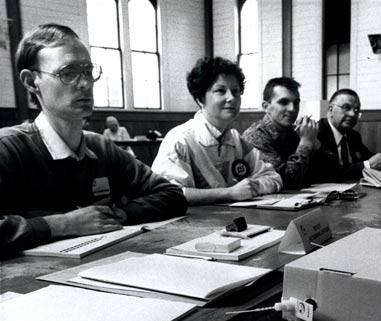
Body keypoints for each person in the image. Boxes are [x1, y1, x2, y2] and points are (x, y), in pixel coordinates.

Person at [0, 23, 186, 255]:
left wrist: (123, 214)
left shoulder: (100, 147)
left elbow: (172, 195)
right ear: (30, 81)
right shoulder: (7, 149)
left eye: (88, 71)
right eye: (68, 73)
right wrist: (63, 224)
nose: (85, 83)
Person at [151, 57, 282, 205]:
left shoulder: (236, 139)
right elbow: (168, 193)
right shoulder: (180, 139)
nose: (231, 98)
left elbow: (273, 178)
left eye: (235, 91)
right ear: (200, 98)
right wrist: (229, 193)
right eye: (220, 91)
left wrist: (254, 186)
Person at [242, 77, 321, 189]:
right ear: (266, 107)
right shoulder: (255, 136)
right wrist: (306, 142)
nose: (292, 109)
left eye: (296, 103)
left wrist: (315, 143)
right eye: (283, 102)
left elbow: (326, 173)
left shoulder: (294, 131)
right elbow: (285, 181)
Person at [316, 88, 381, 181]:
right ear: (331, 109)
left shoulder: (353, 135)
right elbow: (328, 172)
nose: (352, 114)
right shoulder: (316, 132)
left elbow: (368, 156)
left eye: (356, 109)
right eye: (346, 107)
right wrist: (367, 165)